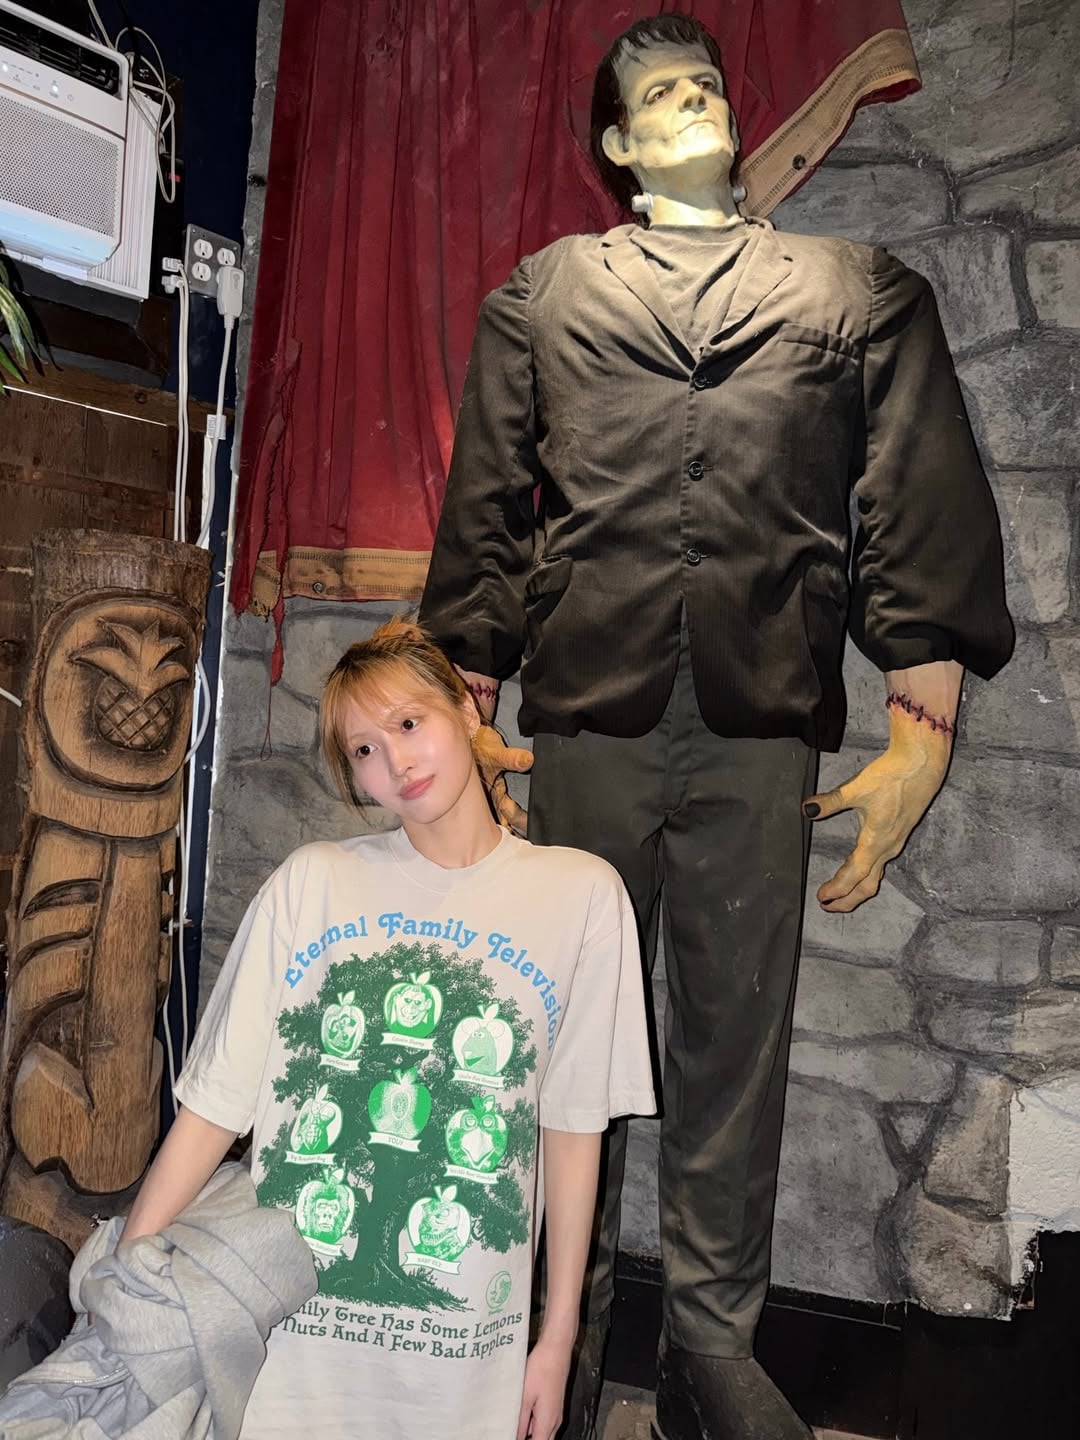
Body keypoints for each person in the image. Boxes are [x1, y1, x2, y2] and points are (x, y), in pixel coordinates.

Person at [418, 13, 1014, 1439]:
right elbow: (487, 506)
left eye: (705, 83)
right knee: (559, 1045)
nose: (691, 96)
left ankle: (709, 1344)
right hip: (587, 721)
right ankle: (554, 1344)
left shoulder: (855, 291)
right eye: (657, 94)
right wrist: (461, 703)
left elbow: (915, 484)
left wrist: (921, 713)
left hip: (761, 719)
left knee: (734, 1052)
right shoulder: (546, 296)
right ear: (617, 145)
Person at [119, 618, 656, 1440]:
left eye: (409, 723)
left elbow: (574, 1129)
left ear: (468, 710)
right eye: (365, 748)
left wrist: (557, 1340)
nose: (396, 761)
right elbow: (216, 1105)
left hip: (461, 1357)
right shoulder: (314, 884)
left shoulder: (581, 896)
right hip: (287, 1343)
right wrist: (126, 1280)